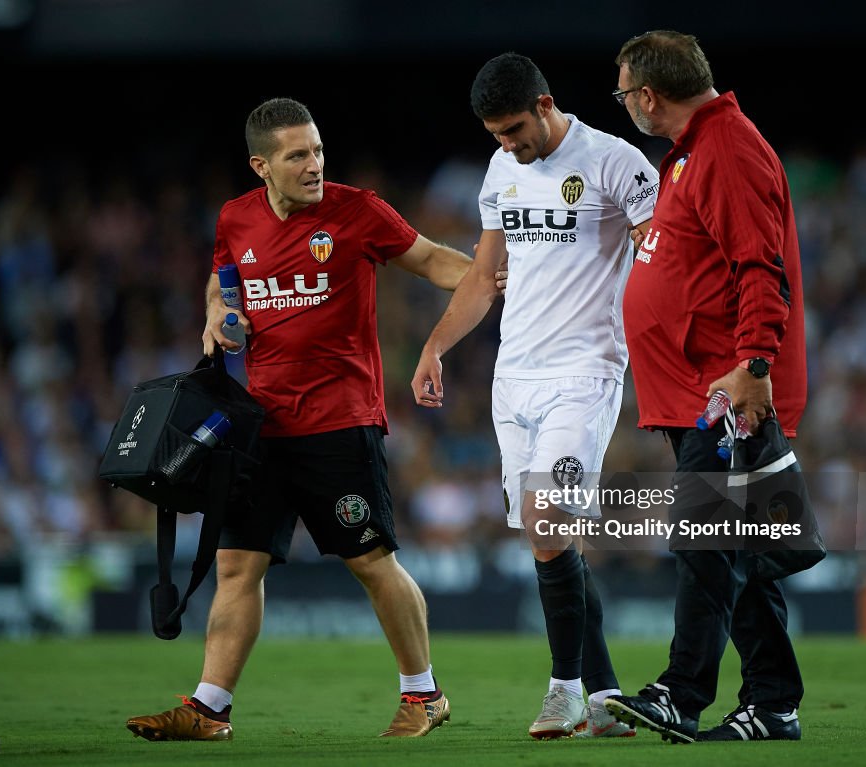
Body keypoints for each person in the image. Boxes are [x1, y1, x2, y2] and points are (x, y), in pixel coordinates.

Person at [127, 97, 490, 741]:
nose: (315, 163)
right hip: (261, 427)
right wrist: (217, 312)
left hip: (340, 422)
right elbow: (224, 278)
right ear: (261, 165)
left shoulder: (356, 211)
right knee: (239, 566)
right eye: (298, 155)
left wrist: (502, 281)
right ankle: (210, 709)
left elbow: (434, 260)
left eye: (318, 149)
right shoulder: (235, 217)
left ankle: (423, 694)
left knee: (372, 560)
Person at [411, 52, 658, 740]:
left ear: (545, 104)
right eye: (495, 133)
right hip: (513, 377)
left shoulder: (616, 164)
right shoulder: (500, 171)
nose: (508, 144)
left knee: (548, 520)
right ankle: (608, 697)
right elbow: (485, 275)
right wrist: (435, 345)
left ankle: (565, 690)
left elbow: (664, 258)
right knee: (556, 542)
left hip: (585, 372)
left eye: (515, 128)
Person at [602, 30, 808, 743]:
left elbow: (761, 266)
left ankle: (682, 693)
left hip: (722, 393)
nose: (624, 102)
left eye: (624, 92)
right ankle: (772, 703)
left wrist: (754, 365)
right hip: (698, 390)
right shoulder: (696, 152)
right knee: (737, 550)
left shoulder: (725, 148)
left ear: (648, 96)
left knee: (706, 543)